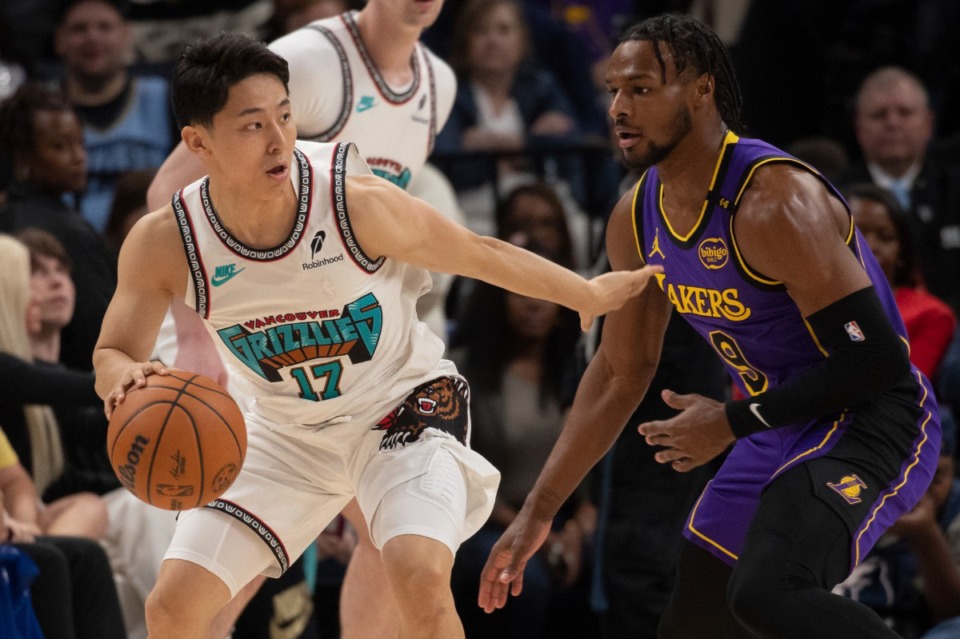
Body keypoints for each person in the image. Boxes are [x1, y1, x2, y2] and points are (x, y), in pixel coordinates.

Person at [92, 32, 658, 639]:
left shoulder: (348, 201)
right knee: (171, 608)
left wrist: (585, 292)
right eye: (252, 126)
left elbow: (476, 252)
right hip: (285, 431)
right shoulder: (166, 241)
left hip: (403, 409)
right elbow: (112, 351)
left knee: (416, 574)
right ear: (198, 142)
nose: (279, 138)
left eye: (285, 115)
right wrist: (123, 377)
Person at [479, 14, 942, 639]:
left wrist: (728, 423)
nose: (619, 108)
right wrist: (540, 509)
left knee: (768, 592)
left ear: (701, 89)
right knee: (694, 624)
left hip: (873, 419)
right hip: (774, 424)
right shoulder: (635, 218)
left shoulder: (776, 201)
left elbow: (876, 364)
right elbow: (619, 372)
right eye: (614, 90)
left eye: (641, 89)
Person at [145, 1, 463, 633]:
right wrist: (193, 342)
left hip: (333, 331)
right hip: (232, 330)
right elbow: (167, 196)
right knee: (225, 568)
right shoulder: (315, 64)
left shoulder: (438, 83)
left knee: (391, 529)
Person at [0, 82, 117, 373]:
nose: (79, 157)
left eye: (80, 143)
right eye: (59, 146)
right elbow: (102, 334)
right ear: (22, 156)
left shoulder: (10, 214)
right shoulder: (66, 231)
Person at [837, 66, 960, 316]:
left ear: (928, 123)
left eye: (905, 112)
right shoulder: (832, 198)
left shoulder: (955, 189)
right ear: (859, 128)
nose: (892, 123)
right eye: (879, 114)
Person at [53, 0, 176, 233]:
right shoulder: (38, 106)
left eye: (105, 27)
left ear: (127, 35)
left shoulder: (167, 97)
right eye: (79, 29)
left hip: (153, 245)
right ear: (59, 40)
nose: (92, 37)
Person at [833, 414, 960, 638]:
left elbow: (951, 613)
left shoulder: (955, 509)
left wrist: (926, 536)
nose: (918, 490)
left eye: (936, 477)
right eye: (903, 475)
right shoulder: (841, 490)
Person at [845, 183, 956, 381]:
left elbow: (907, 386)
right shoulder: (801, 303)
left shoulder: (931, 314)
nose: (870, 246)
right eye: (858, 234)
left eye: (885, 236)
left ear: (902, 251)